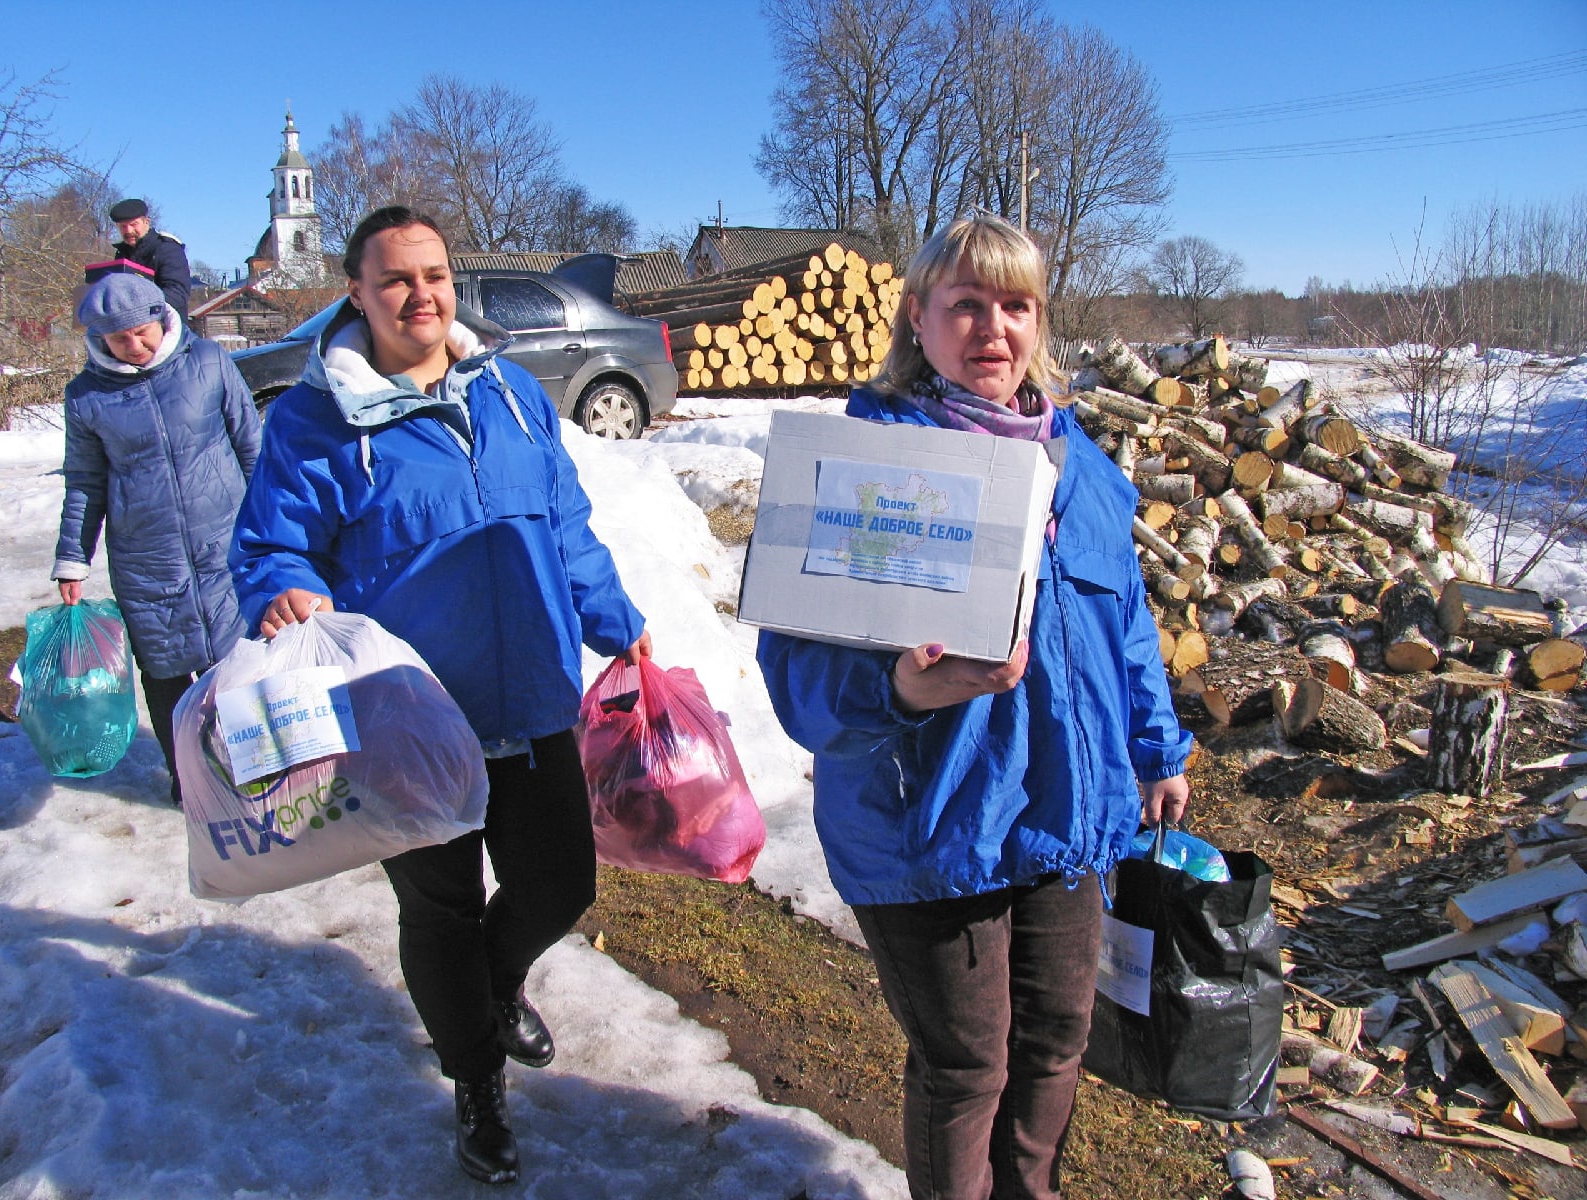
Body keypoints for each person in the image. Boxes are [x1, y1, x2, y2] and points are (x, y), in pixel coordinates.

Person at [756, 214, 1192, 1200]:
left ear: (1039, 321)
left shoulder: (1082, 472)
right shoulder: (863, 468)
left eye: (1015, 305)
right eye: (965, 304)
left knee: (1054, 1043)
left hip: (1066, 813)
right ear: (919, 319)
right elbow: (795, 677)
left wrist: (1158, 746)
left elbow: (1124, 624)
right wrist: (904, 688)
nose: (991, 328)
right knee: (966, 1067)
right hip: (928, 821)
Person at [227, 205, 649, 1186]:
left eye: (435, 275)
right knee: (443, 911)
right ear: (357, 294)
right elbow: (268, 543)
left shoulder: (507, 394)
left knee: (560, 882)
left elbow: (564, 521)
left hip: (534, 695)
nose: (421, 294)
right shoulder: (316, 418)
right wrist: (280, 588)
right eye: (396, 280)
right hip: (409, 718)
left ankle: (490, 993)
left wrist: (613, 614)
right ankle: (477, 1086)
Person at [53, 273, 261, 806]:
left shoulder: (209, 362)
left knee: (239, 661)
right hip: (146, 558)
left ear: (161, 318)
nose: (136, 346)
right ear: (100, 339)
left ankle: (257, 765)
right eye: (120, 339)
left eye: (142, 332)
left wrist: (273, 529)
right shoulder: (87, 397)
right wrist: (72, 559)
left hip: (224, 542)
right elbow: (85, 482)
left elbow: (252, 446)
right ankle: (189, 777)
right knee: (167, 672)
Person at [109, 198, 192, 318]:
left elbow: (177, 294)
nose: (129, 231)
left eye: (134, 224)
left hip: (167, 327)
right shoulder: (122, 254)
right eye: (123, 227)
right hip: (129, 328)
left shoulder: (166, 248)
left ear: (146, 222)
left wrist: (139, 309)